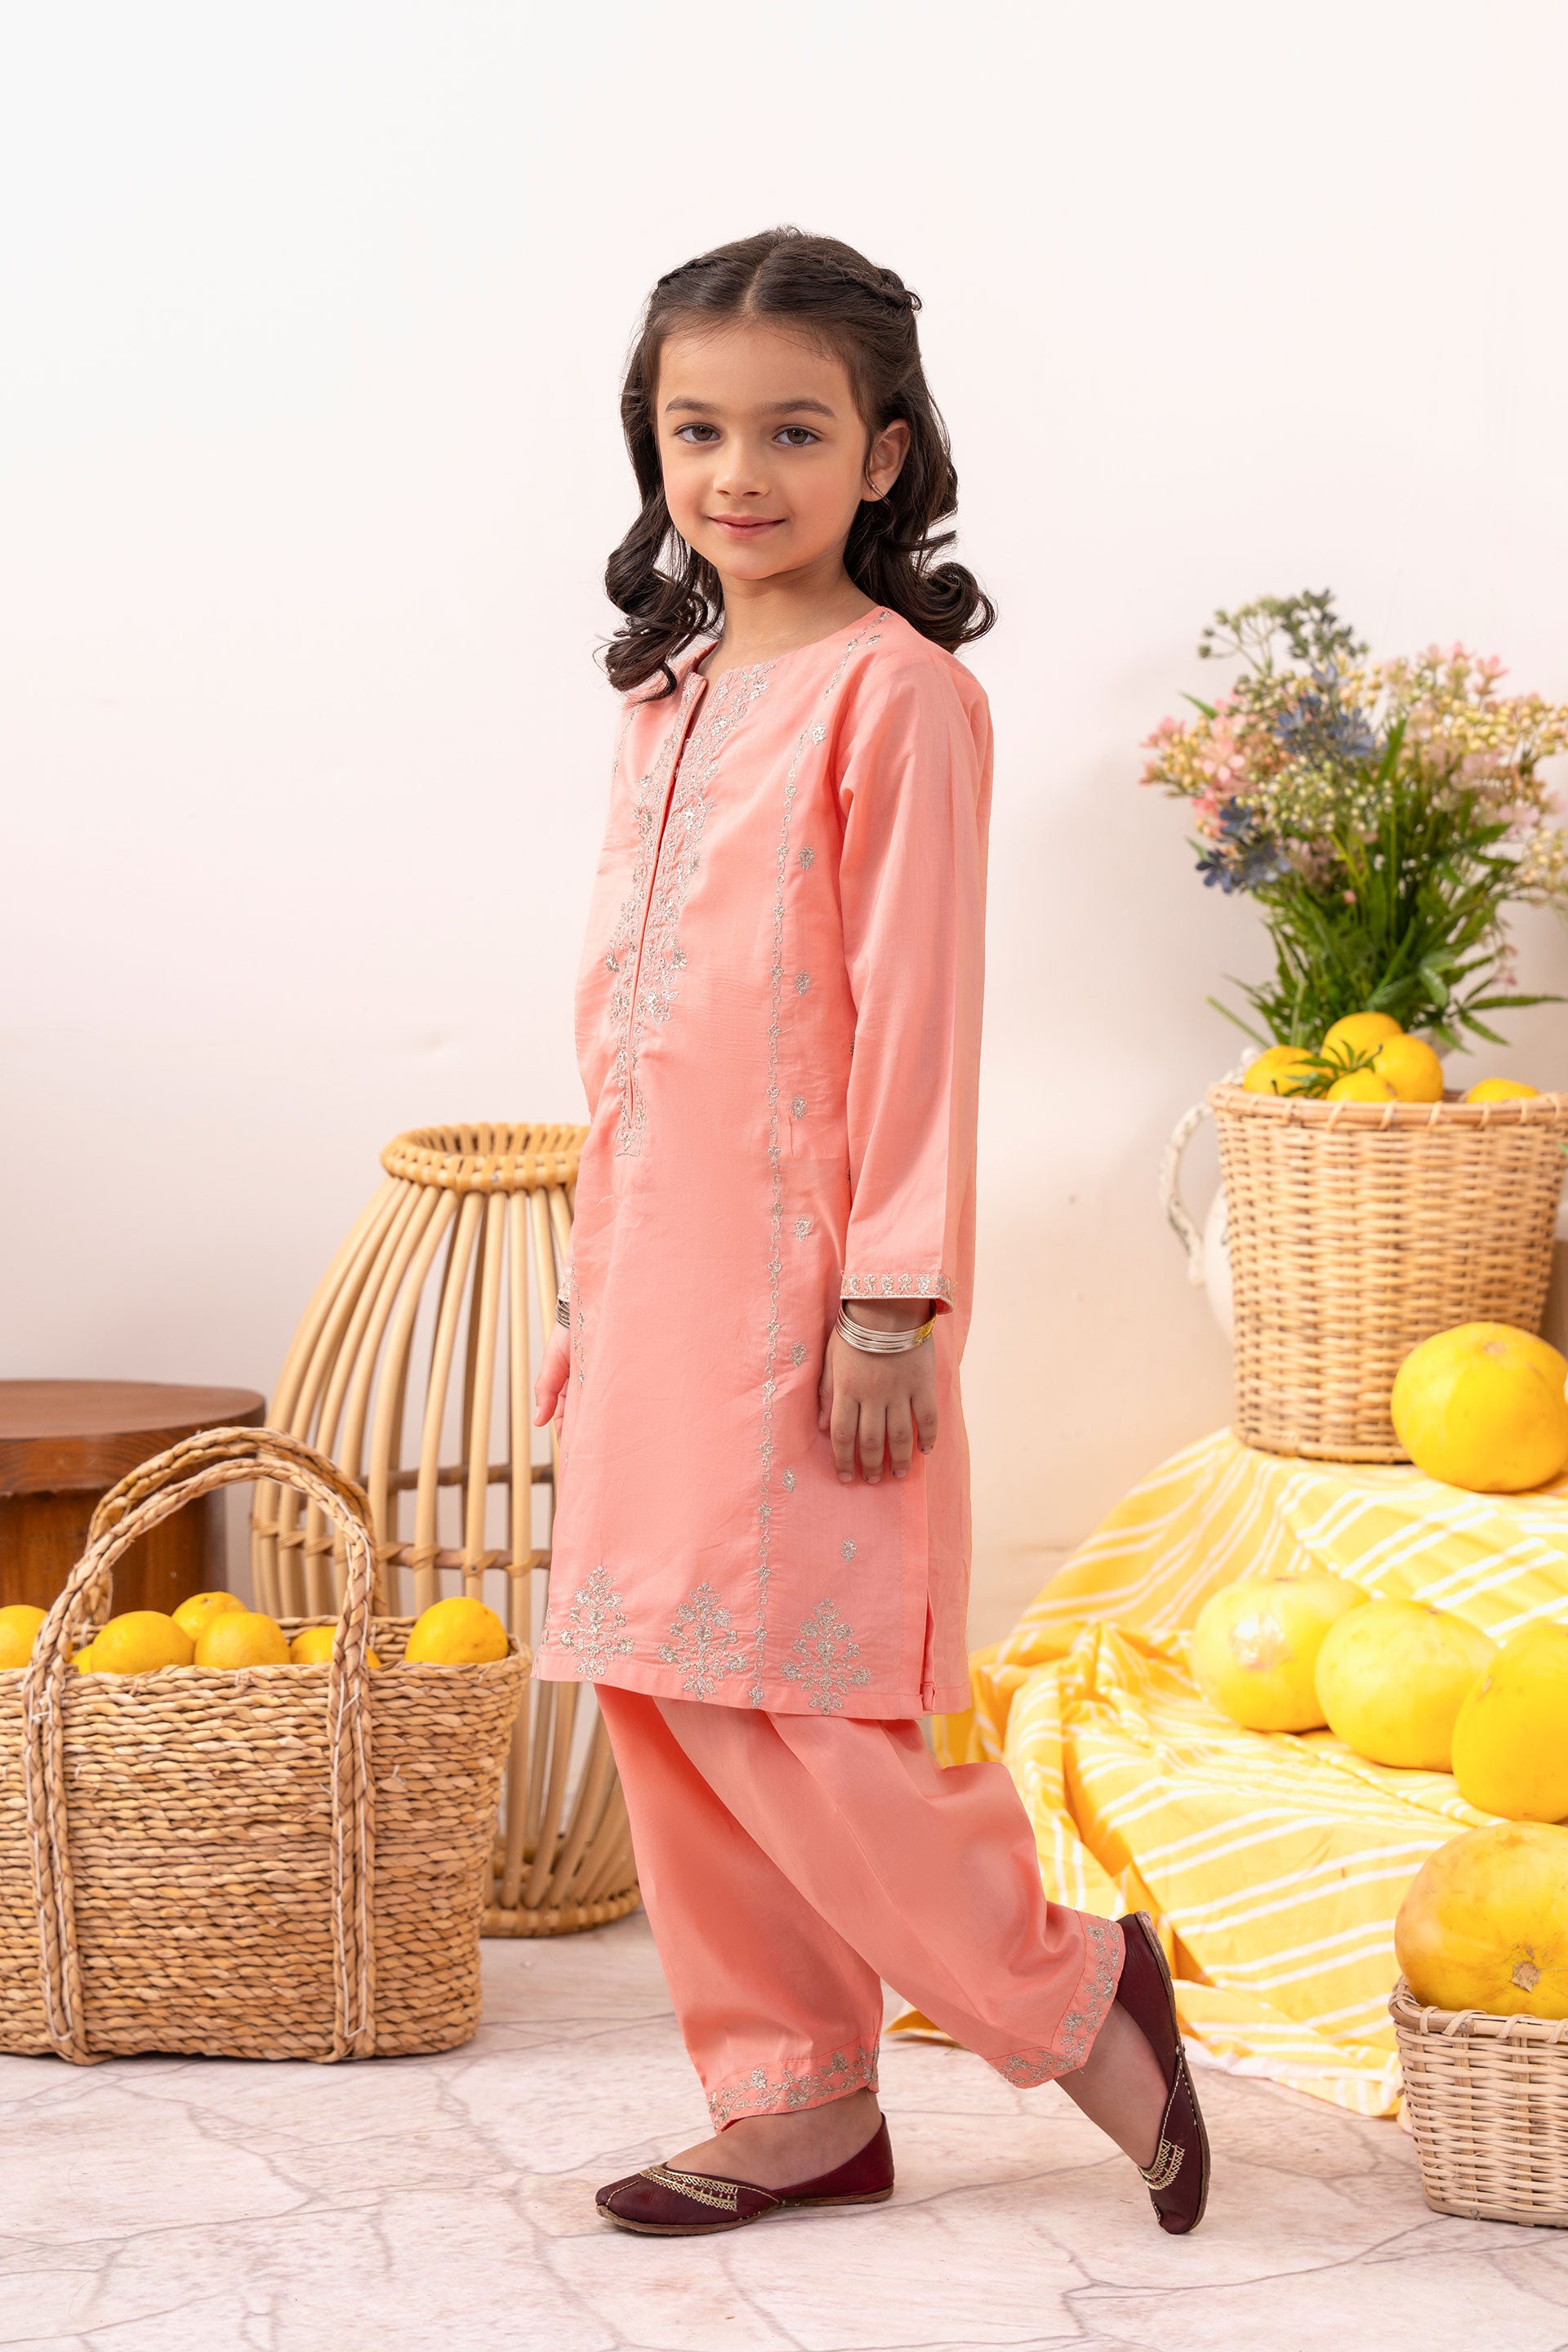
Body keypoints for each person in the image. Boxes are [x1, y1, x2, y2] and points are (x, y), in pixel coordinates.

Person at [532, 227, 1208, 2238]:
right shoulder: (667, 697)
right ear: (652, 445)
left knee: (807, 1703)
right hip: (648, 1276)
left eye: (794, 431)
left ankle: (1076, 1996)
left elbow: (919, 1014)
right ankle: (796, 2105)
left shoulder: (898, 700)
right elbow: (633, 1026)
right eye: (697, 431)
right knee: (663, 1682)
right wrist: (590, 1285)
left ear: (886, 453)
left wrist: (895, 1296)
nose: (738, 474)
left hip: (812, 1287)